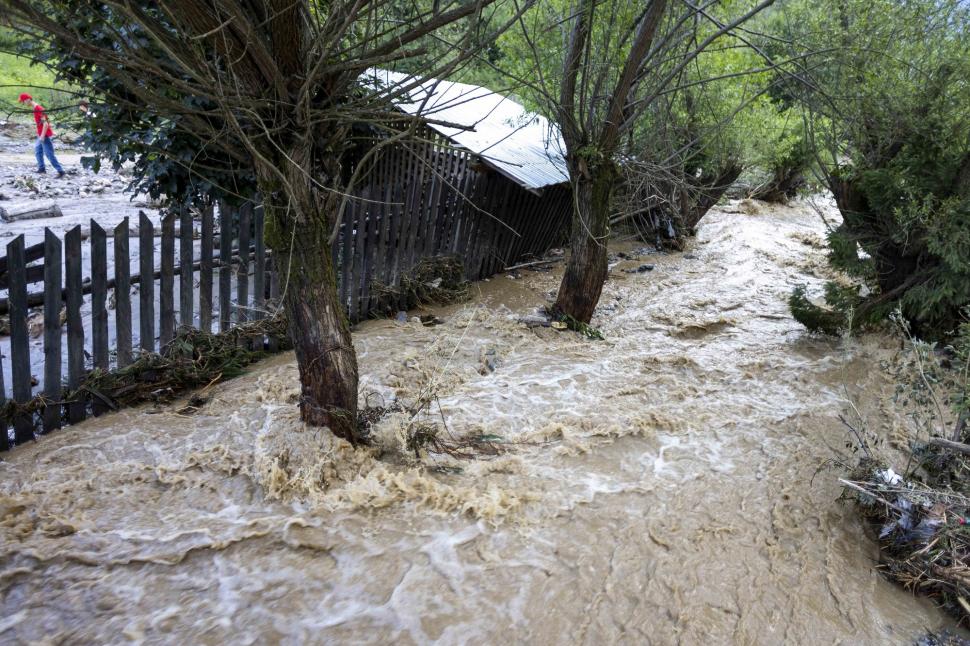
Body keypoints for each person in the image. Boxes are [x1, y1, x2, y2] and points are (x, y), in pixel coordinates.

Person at [18, 93, 64, 177]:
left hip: (44, 135)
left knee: (49, 154)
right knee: (38, 151)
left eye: (23, 101)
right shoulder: (35, 108)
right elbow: (45, 122)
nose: (23, 103)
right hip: (41, 134)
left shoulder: (39, 109)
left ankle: (60, 171)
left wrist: (42, 136)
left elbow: (45, 124)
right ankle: (41, 169)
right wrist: (50, 131)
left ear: (28, 99)